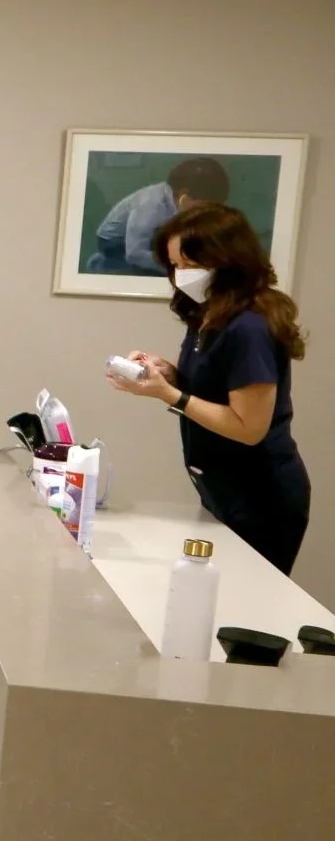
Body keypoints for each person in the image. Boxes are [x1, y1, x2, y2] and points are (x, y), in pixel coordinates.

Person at [108, 202, 311, 573]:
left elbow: (249, 428)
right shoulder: (208, 315)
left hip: (260, 496)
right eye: (175, 266)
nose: (181, 275)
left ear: (227, 261)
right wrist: (167, 374)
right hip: (220, 487)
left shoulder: (249, 327)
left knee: (246, 607)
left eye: (190, 265)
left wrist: (170, 395)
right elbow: (213, 387)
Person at [94, 156, 230, 274]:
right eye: (204, 207)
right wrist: (176, 268)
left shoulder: (177, 201)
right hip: (115, 244)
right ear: (184, 195)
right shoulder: (151, 205)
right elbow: (135, 253)